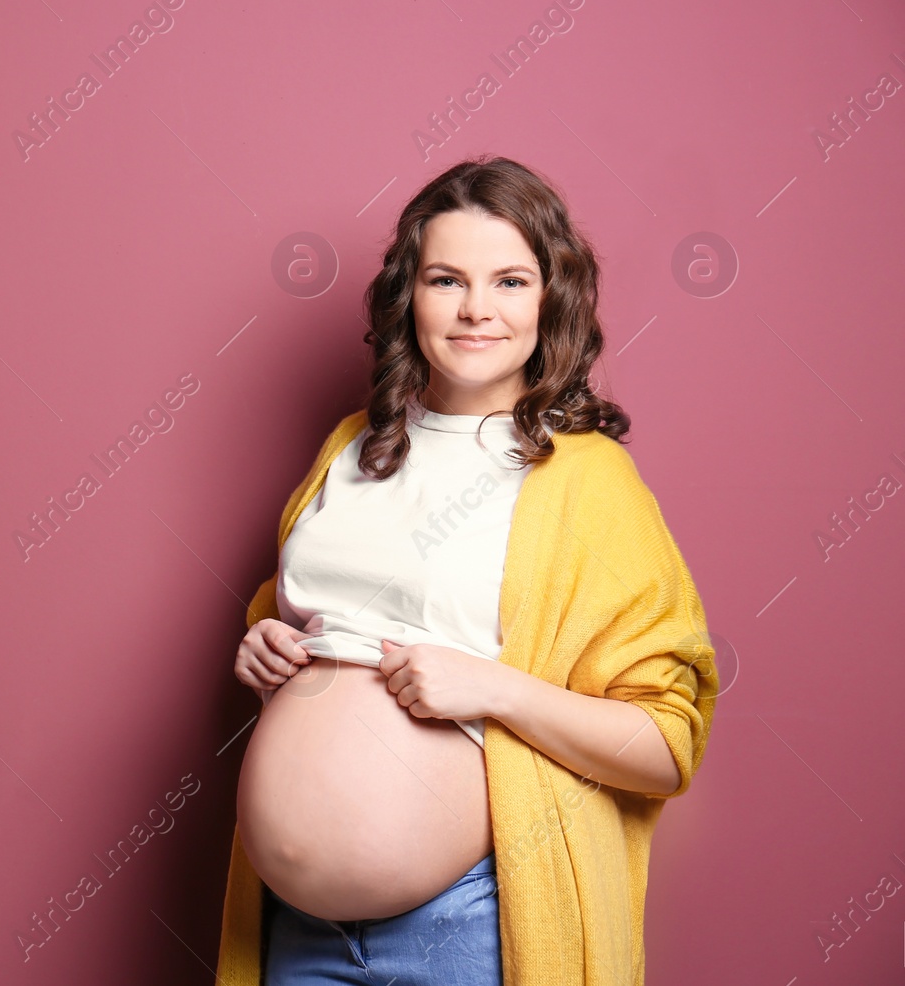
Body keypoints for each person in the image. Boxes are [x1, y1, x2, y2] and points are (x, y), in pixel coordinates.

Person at [217, 155, 719, 986]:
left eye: (511, 281)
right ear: (407, 296)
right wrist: (266, 649)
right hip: (299, 931)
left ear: (550, 300)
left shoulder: (584, 479)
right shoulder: (350, 447)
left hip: (471, 928)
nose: (477, 309)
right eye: (447, 279)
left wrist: (493, 688)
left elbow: (666, 745)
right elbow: (307, 626)